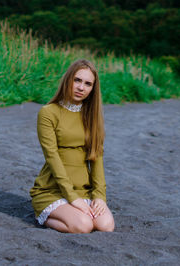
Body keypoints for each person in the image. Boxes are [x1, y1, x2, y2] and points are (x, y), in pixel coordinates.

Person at [30, 59, 115, 233]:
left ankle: (73, 212)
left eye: (88, 84)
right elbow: (52, 157)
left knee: (106, 226)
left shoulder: (92, 117)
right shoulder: (48, 113)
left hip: (84, 191)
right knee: (83, 226)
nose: (81, 87)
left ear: (92, 89)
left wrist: (99, 196)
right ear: (68, 79)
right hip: (52, 189)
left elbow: (97, 158)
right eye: (77, 80)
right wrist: (72, 198)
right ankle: (44, 216)